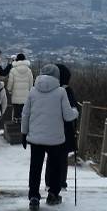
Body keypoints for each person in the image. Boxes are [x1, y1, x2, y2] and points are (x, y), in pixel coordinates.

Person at [21, 63, 78, 211]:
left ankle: (33, 196)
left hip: (36, 137)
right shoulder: (60, 92)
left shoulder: (33, 91)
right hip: (55, 138)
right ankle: (53, 194)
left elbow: (25, 114)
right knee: (55, 166)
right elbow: (68, 116)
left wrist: (24, 132)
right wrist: (75, 111)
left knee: (35, 167)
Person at [45, 63, 77, 191]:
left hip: (50, 129)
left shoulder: (49, 90)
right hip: (65, 131)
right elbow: (72, 111)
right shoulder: (67, 91)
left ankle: (49, 182)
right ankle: (61, 182)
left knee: (51, 158)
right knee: (62, 158)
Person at [6, 53, 34, 120]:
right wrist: (30, 91)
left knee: (16, 110)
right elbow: (31, 83)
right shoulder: (29, 70)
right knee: (24, 111)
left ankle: (16, 120)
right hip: (25, 94)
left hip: (16, 94)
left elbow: (10, 82)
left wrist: (9, 89)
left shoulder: (13, 70)